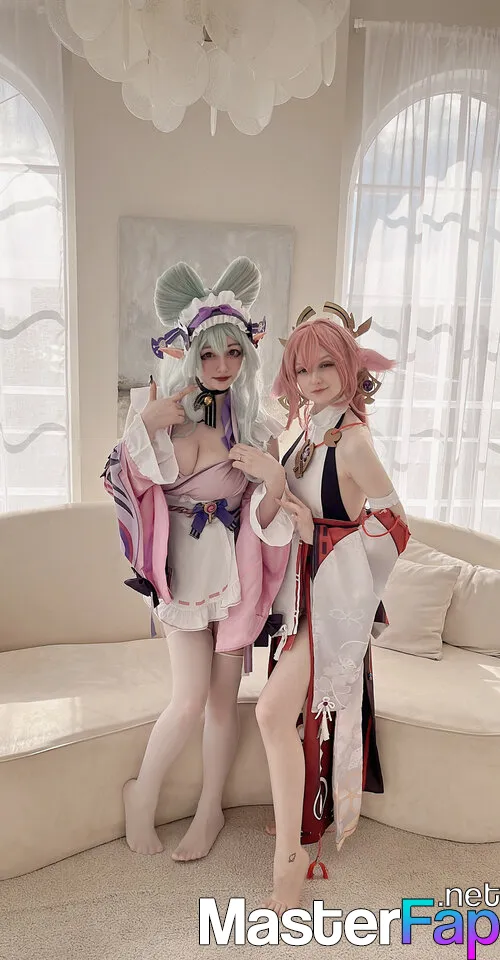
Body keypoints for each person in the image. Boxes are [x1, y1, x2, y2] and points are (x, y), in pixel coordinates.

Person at [103, 257, 292, 861]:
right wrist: (144, 426)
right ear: (189, 356)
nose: (221, 366)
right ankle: (142, 795)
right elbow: (121, 483)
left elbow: (267, 516)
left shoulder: (257, 426)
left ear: (247, 355)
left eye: (233, 352)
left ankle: (210, 809)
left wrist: (274, 479)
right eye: (208, 354)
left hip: (233, 576)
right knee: (188, 699)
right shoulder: (165, 418)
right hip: (182, 575)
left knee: (221, 701)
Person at [237, 303, 410, 916]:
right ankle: (300, 822)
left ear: (350, 366)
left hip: (333, 603)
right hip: (302, 599)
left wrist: (319, 535)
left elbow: (395, 528)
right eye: (302, 369)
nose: (312, 380)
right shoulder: (311, 427)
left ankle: (290, 869)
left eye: (326, 366)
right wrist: (274, 483)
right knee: (289, 718)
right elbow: (293, 504)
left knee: (271, 714)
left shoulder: (355, 441)